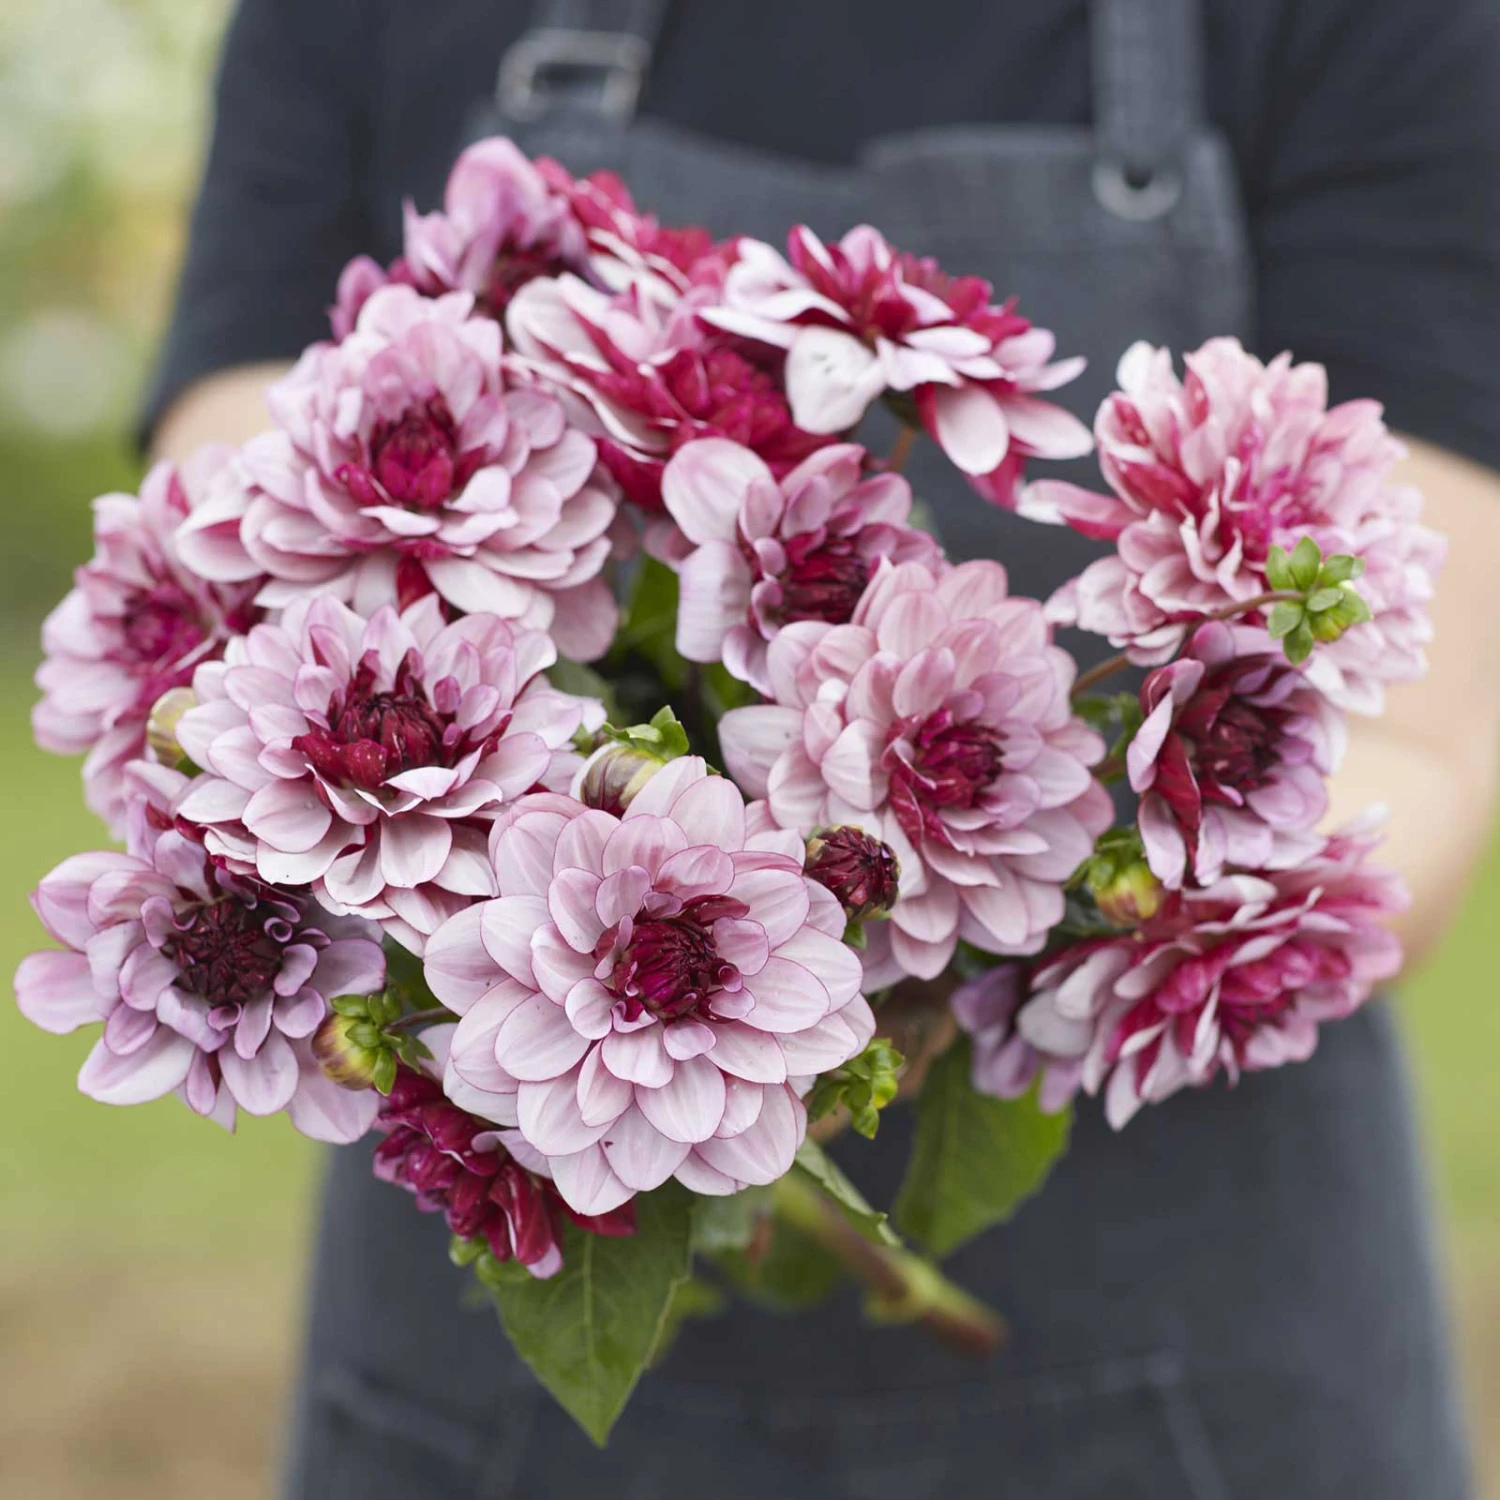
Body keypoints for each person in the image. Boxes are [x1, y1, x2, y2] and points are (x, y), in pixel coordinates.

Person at [147, 1, 1500, 1494]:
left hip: (1190, 1320)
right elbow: (220, 507)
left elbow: (1413, 742)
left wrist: (972, 947)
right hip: (499, 1296)